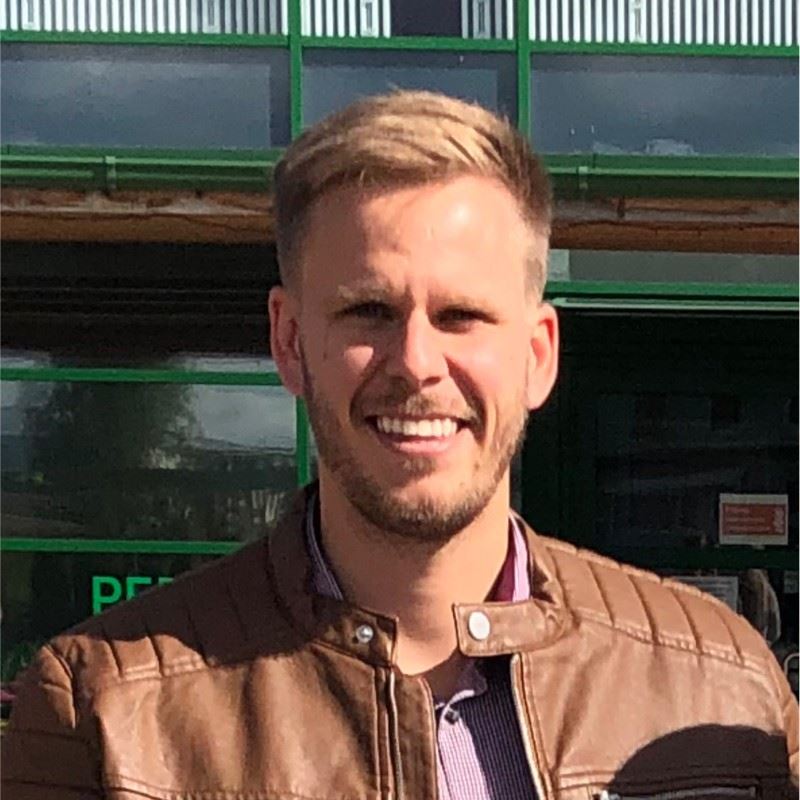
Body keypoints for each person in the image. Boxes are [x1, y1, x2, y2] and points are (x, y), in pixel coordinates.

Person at [3, 90, 797, 799]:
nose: (416, 362)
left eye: (461, 317)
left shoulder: (722, 684)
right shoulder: (102, 715)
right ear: (289, 341)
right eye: (369, 312)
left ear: (538, 355)